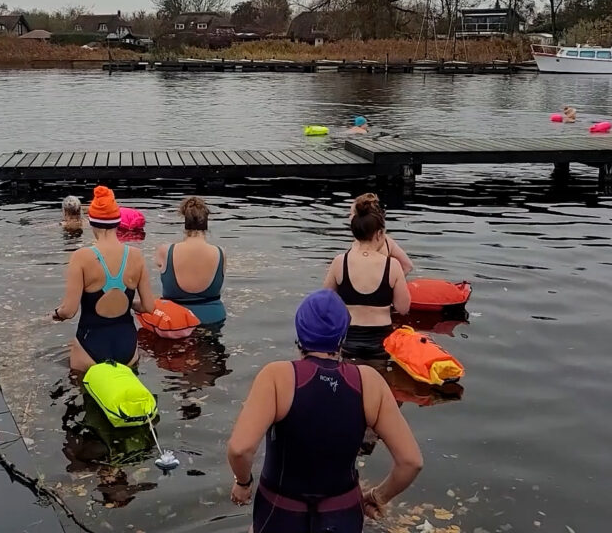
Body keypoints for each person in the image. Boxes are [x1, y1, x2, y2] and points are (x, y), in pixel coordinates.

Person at [226, 290, 423, 533]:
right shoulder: (369, 382)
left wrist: (243, 483)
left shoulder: (277, 378)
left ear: (299, 331)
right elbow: (410, 462)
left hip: (280, 514)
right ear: (343, 335)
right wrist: (377, 497)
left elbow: (240, 449)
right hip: (343, 515)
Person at [51, 186, 157, 373]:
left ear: (91, 222)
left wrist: (56, 314)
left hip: (90, 346)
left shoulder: (81, 257)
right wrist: (128, 302)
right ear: (117, 222)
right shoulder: (136, 255)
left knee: (81, 390)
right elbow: (149, 307)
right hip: (128, 347)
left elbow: (69, 311)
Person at [324, 193, 411, 359]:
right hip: (381, 341)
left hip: (349, 339)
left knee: (351, 380)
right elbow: (403, 308)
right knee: (379, 382)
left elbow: (325, 302)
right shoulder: (392, 265)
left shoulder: (339, 262)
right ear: (379, 233)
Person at [155, 197, 227, 325]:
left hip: (175, 321)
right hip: (213, 319)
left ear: (185, 220)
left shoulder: (165, 251)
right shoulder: (221, 253)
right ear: (206, 221)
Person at [348, 194, 414, 276]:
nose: (349, 217)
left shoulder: (361, 245)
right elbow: (407, 266)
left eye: (351, 214)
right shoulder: (386, 240)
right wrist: (393, 283)